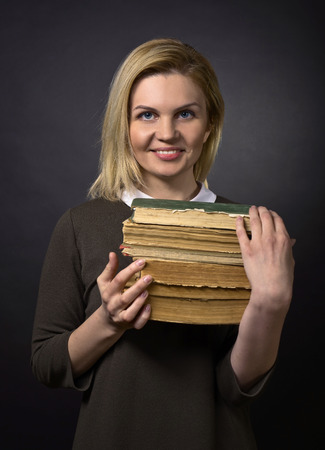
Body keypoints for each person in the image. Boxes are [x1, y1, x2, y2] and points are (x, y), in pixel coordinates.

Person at [31, 38, 295, 449]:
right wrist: (108, 321)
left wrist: (271, 303)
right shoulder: (80, 225)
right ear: (126, 125)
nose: (166, 133)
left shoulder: (251, 232)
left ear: (209, 124)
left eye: (185, 114)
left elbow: (236, 386)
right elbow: (47, 365)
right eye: (147, 115)